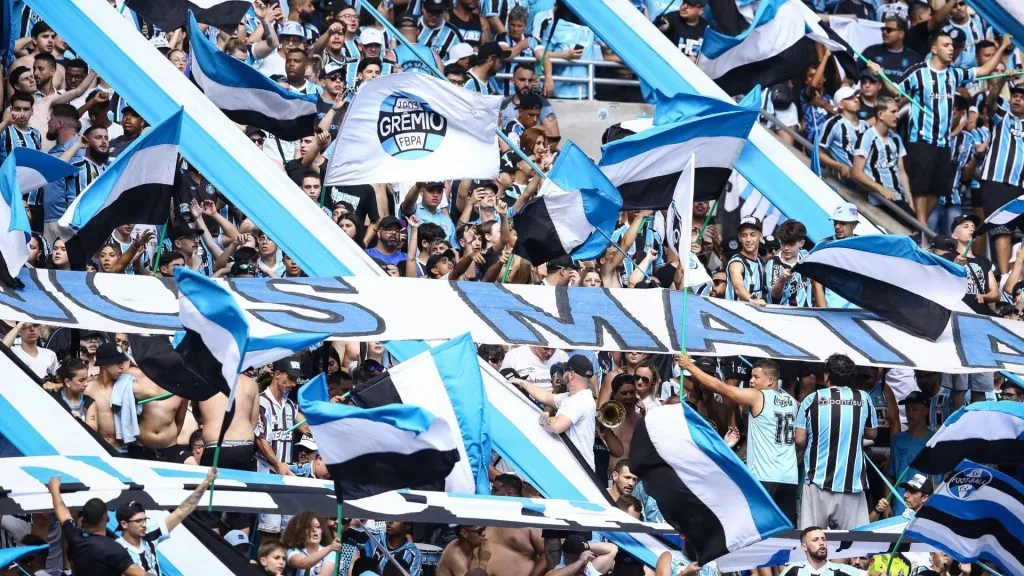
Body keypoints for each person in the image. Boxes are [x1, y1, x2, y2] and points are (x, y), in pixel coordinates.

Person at [873, 31, 1014, 226]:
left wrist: (1002, 46)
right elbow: (896, 90)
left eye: (951, 46)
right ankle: (922, 226)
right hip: (921, 139)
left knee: (939, 189)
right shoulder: (919, 72)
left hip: (943, 142)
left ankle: (919, 224)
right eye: (946, 45)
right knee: (921, 187)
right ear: (934, 49)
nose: (951, 49)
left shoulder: (954, 74)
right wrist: (880, 73)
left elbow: (984, 70)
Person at [679, 355, 799, 523]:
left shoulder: (758, 396)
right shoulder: (792, 402)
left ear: (771, 381)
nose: (751, 381)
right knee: (786, 530)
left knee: (759, 527)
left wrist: (690, 367)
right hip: (790, 478)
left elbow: (722, 388)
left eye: (756, 377)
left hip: (765, 476)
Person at [796, 354, 878, 529]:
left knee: (812, 538)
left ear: (826, 376)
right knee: (854, 541)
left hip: (817, 481)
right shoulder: (863, 398)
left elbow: (800, 440)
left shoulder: (811, 399)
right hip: (852, 484)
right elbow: (872, 433)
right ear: (851, 377)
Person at [114, 468, 218, 574]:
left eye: (145, 520)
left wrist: (206, 482)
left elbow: (181, 511)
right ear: (124, 524)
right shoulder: (116, 550)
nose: (144, 524)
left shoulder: (150, 533)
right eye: (138, 521)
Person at [510, 354, 597, 470]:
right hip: (573, 467)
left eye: (565, 371)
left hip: (578, 469)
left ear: (571, 374)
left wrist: (543, 419)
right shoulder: (571, 397)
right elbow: (545, 396)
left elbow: (556, 426)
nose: (563, 375)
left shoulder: (580, 400)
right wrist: (522, 382)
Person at [47, 477, 146, 576]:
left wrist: (54, 488)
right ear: (107, 518)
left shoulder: (75, 538)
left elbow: (62, 512)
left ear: (82, 519)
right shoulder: (114, 549)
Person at [257, 357, 310, 537]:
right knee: (269, 532)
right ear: (277, 374)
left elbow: (307, 428)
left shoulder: (290, 406)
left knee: (289, 534)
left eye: (295, 380)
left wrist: (327, 410)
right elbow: (260, 439)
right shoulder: (261, 402)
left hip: (286, 474)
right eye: (290, 378)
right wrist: (276, 463)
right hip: (268, 473)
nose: (293, 384)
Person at [978, 84, 1024, 274]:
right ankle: (1004, 277)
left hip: (1020, 186)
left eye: (1022, 97)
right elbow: (989, 102)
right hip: (996, 182)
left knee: (1017, 234)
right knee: (1002, 228)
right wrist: (1003, 78)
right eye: (1015, 95)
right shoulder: (1002, 117)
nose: (1017, 99)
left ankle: (1015, 278)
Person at [851, 96, 914, 218]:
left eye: (897, 111)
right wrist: (880, 189)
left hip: (899, 199)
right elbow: (856, 173)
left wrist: (910, 200)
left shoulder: (896, 138)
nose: (897, 116)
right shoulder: (867, 137)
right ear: (880, 115)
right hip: (880, 201)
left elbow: (901, 171)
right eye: (893, 112)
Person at [484, 475, 546, 576]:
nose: (491, 494)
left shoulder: (530, 519)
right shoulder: (485, 516)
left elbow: (548, 554)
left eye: (495, 490)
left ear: (509, 494)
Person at [949, 214, 999, 315]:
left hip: (980, 314)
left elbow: (995, 294)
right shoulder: (948, 257)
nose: (972, 229)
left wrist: (984, 297)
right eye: (966, 226)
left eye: (973, 227)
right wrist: (956, 266)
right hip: (959, 313)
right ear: (954, 235)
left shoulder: (984, 261)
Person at [85, 342, 130, 453]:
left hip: (125, 450)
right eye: (118, 362)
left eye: (122, 362)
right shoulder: (87, 388)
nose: (122, 366)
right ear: (104, 364)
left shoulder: (127, 386)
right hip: (100, 450)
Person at [813, 203, 859, 308]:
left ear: (854, 225)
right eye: (835, 222)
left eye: (842, 223)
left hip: (858, 312)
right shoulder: (823, 246)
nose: (837, 226)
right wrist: (825, 313)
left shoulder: (864, 246)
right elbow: (816, 284)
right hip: (833, 311)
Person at [818, 86, 868, 182]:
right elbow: (819, 153)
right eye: (850, 98)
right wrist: (840, 166)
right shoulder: (833, 124)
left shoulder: (865, 125)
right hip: (850, 180)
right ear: (841, 104)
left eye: (856, 96)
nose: (856, 100)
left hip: (869, 177)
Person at [779, 527, 864, 576]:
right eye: (815, 540)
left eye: (823, 539)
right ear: (804, 547)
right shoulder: (792, 570)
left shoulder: (843, 571)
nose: (821, 543)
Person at [766, 220, 812, 307]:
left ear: (801, 243)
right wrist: (781, 280)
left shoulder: (806, 255)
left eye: (791, 244)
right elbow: (774, 296)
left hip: (807, 312)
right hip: (784, 313)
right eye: (783, 243)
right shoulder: (773, 264)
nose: (786, 248)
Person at [281, 511, 342, 576]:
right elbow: (302, 563)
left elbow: (325, 574)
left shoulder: (330, 553)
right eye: (309, 527)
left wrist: (330, 548)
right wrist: (330, 547)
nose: (314, 530)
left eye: (318, 527)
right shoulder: (292, 551)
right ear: (299, 531)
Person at [726, 216, 766, 304]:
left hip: (755, 311)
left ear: (760, 236)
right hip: (735, 312)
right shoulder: (736, 263)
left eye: (752, 235)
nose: (748, 239)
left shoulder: (760, 262)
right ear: (739, 238)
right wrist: (753, 299)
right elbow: (738, 287)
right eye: (744, 235)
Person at [0, 91, 42, 165]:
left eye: (26, 109)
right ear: (11, 110)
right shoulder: (4, 131)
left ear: (32, 111)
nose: (22, 114)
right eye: (18, 109)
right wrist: (6, 121)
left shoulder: (36, 133)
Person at [501, 345, 569, 391]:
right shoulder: (514, 356)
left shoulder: (563, 356)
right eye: (545, 348)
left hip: (555, 401)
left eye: (553, 349)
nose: (549, 353)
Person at [51, 358, 96, 425]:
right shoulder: (54, 400)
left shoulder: (89, 402)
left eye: (86, 379)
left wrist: (79, 419)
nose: (86, 384)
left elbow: (93, 428)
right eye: (81, 380)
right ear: (67, 382)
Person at [547, 534, 617, 576]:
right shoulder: (560, 569)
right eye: (579, 556)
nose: (586, 558)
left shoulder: (590, 568)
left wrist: (584, 546)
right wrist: (580, 561)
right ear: (567, 557)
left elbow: (613, 549)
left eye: (586, 554)